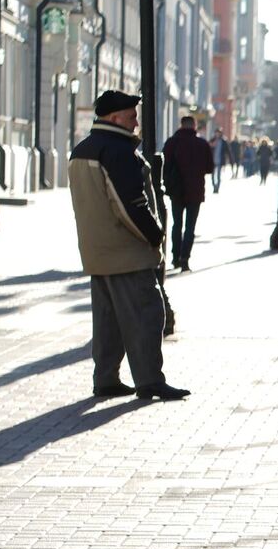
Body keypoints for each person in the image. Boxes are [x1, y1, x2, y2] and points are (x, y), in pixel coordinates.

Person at [67, 90, 188, 401]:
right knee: (147, 315)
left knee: (107, 321)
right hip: (126, 252)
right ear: (114, 118)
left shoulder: (82, 149)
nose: (136, 122)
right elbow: (130, 204)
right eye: (132, 116)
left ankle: (105, 378)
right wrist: (155, 234)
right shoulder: (118, 151)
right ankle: (150, 380)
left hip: (97, 251)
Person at [160, 114, 212, 272]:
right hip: (195, 190)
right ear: (194, 126)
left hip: (176, 190)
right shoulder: (202, 144)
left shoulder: (172, 142)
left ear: (181, 125)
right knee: (190, 227)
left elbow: (164, 166)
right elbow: (209, 168)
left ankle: (175, 257)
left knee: (176, 224)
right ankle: (185, 259)